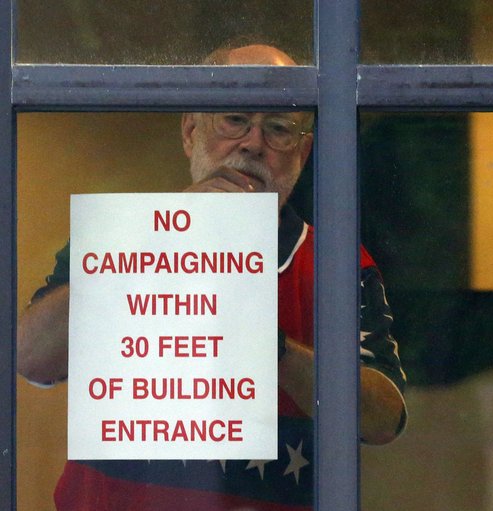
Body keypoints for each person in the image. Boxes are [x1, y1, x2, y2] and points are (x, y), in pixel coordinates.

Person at [16, 43, 407, 511]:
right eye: (234, 119)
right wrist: (161, 236)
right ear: (190, 132)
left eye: (279, 129)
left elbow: (383, 420)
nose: (253, 143)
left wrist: (272, 348)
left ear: (302, 153)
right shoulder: (114, 235)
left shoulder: (336, 261)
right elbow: (31, 358)